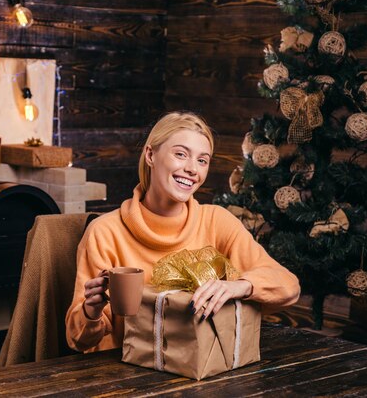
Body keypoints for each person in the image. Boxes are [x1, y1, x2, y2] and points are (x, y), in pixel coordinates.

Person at [65, 111, 300, 353]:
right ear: (150, 154)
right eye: (180, 154)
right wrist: (90, 312)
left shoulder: (217, 221)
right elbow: (78, 340)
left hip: (199, 366)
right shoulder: (104, 232)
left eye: (202, 160)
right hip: (124, 370)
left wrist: (241, 286)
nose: (191, 169)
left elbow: (288, 287)